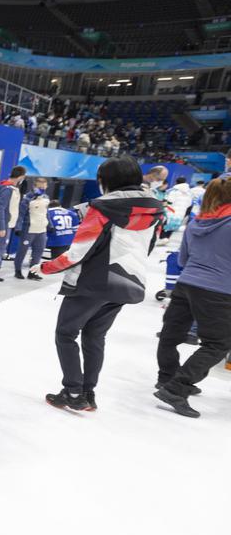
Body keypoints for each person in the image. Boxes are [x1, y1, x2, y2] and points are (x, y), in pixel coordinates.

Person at [40, 156, 164, 411]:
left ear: (106, 180)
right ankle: (88, 392)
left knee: (65, 334)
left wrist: (44, 267)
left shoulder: (102, 208)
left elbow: (78, 252)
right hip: (129, 280)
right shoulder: (155, 210)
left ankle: (73, 392)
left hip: (94, 282)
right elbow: (148, 247)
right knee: (95, 336)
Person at [155, 177, 231, 418]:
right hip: (218, 290)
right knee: (217, 344)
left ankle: (166, 378)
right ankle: (177, 389)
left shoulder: (197, 221)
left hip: (186, 284)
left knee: (171, 335)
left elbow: (182, 260)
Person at [13, 176, 50, 280]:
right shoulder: (27, 198)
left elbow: (46, 213)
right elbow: (21, 214)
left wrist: (50, 224)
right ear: (34, 186)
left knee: (38, 252)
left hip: (42, 229)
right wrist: (18, 228)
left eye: (44, 186)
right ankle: (18, 270)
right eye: (40, 186)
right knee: (22, 251)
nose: (42, 188)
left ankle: (32, 272)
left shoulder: (46, 197)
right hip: (29, 230)